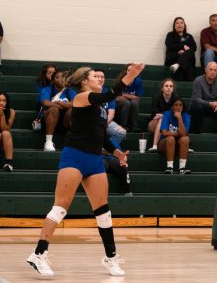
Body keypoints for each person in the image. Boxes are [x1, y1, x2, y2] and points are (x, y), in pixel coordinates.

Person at [26, 63, 144, 277]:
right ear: (84, 82)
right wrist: (130, 75)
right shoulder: (82, 98)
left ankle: (110, 258)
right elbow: (110, 94)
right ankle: (38, 254)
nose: (100, 79)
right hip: (75, 157)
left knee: (103, 212)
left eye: (101, 77)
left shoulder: (100, 107)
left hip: (95, 160)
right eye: (95, 76)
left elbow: (103, 135)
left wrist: (117, 153)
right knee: (60, 208)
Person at [40, 70, 76, 151]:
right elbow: (46, 103)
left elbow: (73, 104)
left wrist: (59, 102)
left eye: (62, 77)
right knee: (53, 109)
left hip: (64, 122)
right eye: (57, 77)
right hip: (48, 121)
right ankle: (48, 142)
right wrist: (64, 105)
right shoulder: (47, 89)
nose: (60, 79)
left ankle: (74, 140)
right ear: (53, 80)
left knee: (73, 110)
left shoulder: (70, 91)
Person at [190, 61, 217, 133]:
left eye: (215, 70)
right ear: (206, 70)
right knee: (197, 107)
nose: (213, 72)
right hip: (202, 106)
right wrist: (209, 103)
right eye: (211, 69)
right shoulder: (198, 80)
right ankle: (196, 132)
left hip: (214, 108)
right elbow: (196, 99)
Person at [158, 98, 191, 174]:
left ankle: (182, 168)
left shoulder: (186, 116)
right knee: (170, 138)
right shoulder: (167, 114)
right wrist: (177, 133)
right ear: (172, 107)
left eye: (180, 105)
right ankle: (170, 168)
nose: (178, 107)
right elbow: (164, 133)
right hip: (165, 144)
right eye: (176, 105)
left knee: (185, 139)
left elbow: (183, 134)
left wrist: (179, 118)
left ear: (183, 107)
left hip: (179, 145)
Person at [96, 69, 127, 147]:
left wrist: (104, 124)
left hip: (105, 121)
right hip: (91, 123)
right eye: (97, 77)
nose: (100, 79)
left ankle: (105, 149)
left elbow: (111, 114)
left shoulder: (108, 93)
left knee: (121, 132)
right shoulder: (88, 92)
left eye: (102, 77)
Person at [147, 78, 178, 151]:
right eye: (166, 86)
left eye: (171, 86)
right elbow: (155, 113)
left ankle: (185, 145)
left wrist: (164, 115)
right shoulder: (156, 97)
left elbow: (177, 112)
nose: (169, 88)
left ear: (173, 89)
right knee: (162, 119)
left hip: (170, 123)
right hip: (154, 123)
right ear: (162, 88)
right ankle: (155, 145)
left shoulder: (176, 98)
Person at [165, 16, 198, 81]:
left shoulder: (189, 36)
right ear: (174, 26)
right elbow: (169, 45)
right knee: (187, 64)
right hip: (174, 58)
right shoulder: (170, 34)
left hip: (185, 60)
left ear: (184, 25)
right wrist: (182, 47)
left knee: (189, 53)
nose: (179, 24)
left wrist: (184, 52)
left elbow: (194, 47)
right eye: (177, 23)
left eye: (181, 23)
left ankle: (178, 64)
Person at [114, 64, 144, 132]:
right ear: (126, 71)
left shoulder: (138, 81)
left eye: (132, 70)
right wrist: (131, 97)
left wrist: (124, 95)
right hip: (119, 105)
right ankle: (123, 126)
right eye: (128, 70)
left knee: (134, 103)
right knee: (127, 103)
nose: (130, 72)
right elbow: (117, 98)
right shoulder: (120, 80)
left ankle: (134, 127)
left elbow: (137, 98)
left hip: (131, 102)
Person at [0, 92, 15, 172]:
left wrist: (2, 116)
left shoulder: (11, 112)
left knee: (6, 133)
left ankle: (9, 163)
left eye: (4, 100)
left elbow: (5, 128)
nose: (1, 103)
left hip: (4, 141)